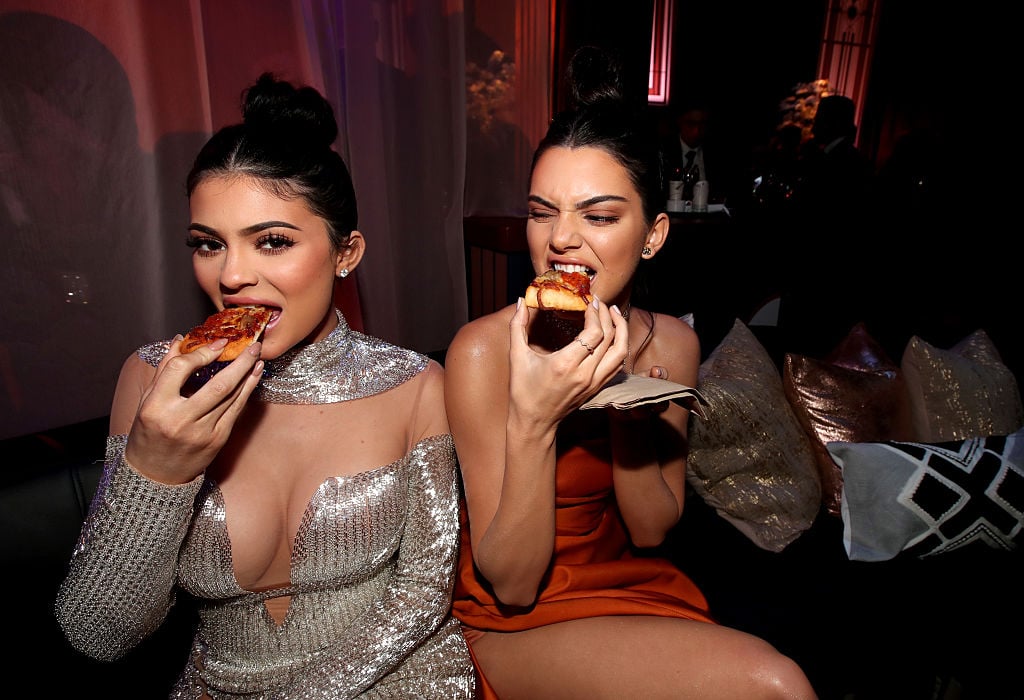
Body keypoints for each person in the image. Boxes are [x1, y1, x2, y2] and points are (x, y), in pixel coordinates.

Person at [54, 73, 475, 699]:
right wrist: (154, 470)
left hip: (401, 676)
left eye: (272, 241)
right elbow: (98, 634)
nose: (232, 274)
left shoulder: (414, 384)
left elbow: (422, 594)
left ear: (346, 252)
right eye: (208, 244)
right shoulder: (152, 380)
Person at [447, 46, 818, 699]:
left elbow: (650, 527)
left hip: (621, 580)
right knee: (775, 684)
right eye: (542, 211)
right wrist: (535, 419)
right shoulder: (482, 350)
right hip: (508, 614)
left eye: (599, 216)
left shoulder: (670, 342)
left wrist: (623, 396)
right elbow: (510, 584)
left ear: (653, 235)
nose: (560, 240)